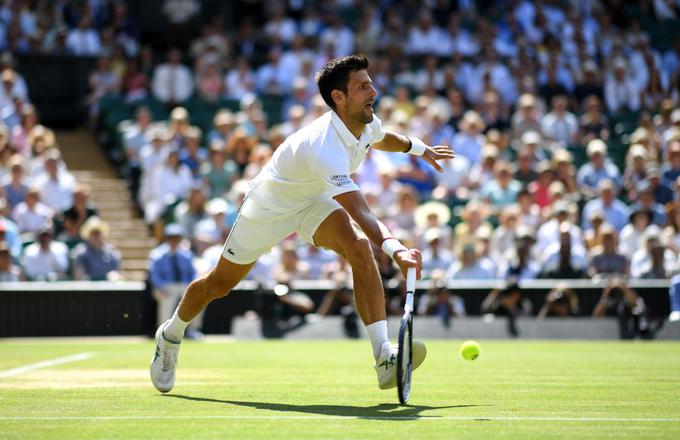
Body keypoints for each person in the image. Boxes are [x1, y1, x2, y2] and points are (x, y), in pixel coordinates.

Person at [150, 55, 454, 393]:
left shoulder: (366, 121)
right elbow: (362, 212)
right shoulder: (324, 147)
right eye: (363, 86)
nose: (374, 91)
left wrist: (421, 149)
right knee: (219, 284)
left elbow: (384, 138)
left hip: (312, 201)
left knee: (358, 247)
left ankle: (384, 358)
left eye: (371, 83)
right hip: (268, 208)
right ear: (339, 97)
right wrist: (396, 251)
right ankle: (171, 334)